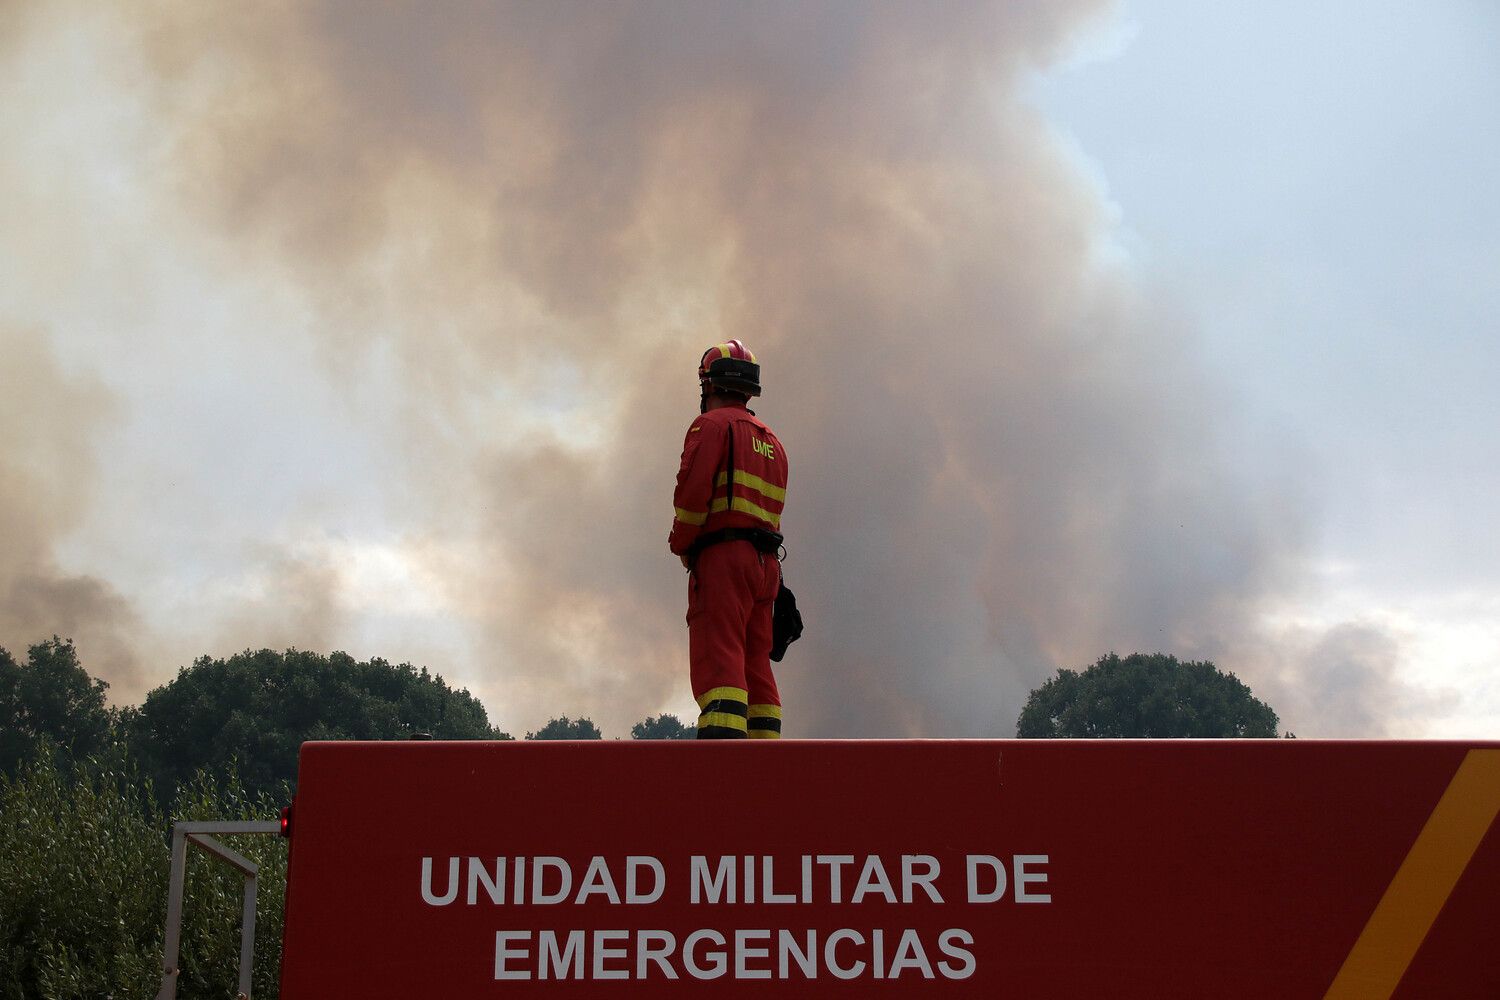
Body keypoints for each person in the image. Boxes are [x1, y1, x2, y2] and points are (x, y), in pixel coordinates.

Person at [669, 340, 789, 739]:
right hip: (767, 566)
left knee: (719, 660)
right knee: (756, 663)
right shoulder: (773, 442)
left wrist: (683, 544)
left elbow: (691, 497)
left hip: (724, 558)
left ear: (709, 385)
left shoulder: (711, 426)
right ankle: (764, 757)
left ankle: (722, 762)